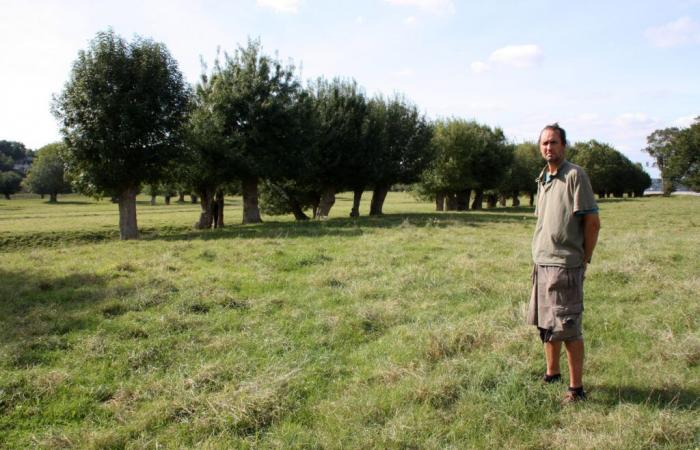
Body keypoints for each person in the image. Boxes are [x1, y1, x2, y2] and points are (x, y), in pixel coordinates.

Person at [527, 123, 601, 404]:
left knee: (568, 327)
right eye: (544, 143)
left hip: (566, 264)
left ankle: (576, 389)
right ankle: (552, 373)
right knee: (547, 325)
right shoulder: (543, 178)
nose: (548, 147)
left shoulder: (575, 175)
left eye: (554, 142)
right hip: (542, 263)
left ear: (564, 146)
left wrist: (584, 258)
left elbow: (592, 222)